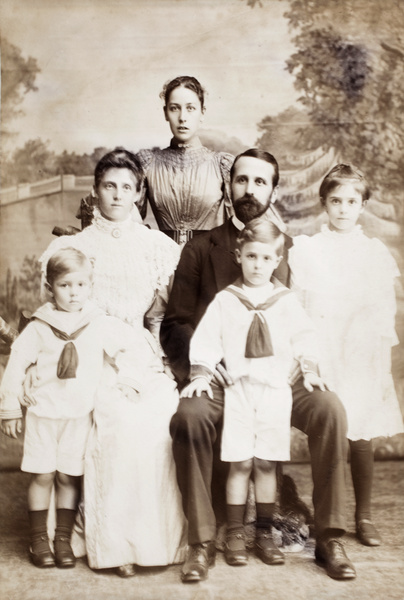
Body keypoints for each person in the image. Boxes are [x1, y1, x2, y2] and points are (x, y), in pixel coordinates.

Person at [161, 148, 356, 582]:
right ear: (229, 187)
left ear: (273, 188)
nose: (250, 189)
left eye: (260, 181)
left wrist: (301, 365)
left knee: (330, 408)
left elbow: (302, 318)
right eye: (242, 180)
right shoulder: (199, 247)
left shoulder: (288, 249)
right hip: (222, 374)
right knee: (189, 417)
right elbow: (175, 324)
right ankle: (202, 540)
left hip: (276, 375)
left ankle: (328, 536)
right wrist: (209, 367)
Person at [38, 148, 187, 577]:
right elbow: (58, 316)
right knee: (117, 419)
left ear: (139, 194)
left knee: (158, 414)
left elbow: (160, 317)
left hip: (139, 350)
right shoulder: (72, 245)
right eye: (109, 186)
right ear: (95, 190)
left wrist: (154, 364)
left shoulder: (158, 247)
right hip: (88, 350)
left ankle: (153, 544)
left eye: (127, 187)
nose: (118, 195)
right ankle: (111, 544)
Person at [181, 218, 326, 569]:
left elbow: (305, 336)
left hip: (275, 392)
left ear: (277, 260)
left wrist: (309, 368)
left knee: (265, 463)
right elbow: (206, 339)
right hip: (241, 391)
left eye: (265, 258)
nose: (257, 265)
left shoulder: (285, 301)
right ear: (239, 256)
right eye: (250, 257)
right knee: (240, 463)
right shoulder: (226, 300)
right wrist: (201, 371)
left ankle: (263, 532)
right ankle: (233, 532)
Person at [0, 247, 142, 570]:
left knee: (67, 477)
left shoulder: (99, 322)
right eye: (65, 286)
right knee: (42, 475)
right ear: (50, 288)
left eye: (80, 285)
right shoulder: (39, 326)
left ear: (90, 286)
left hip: (79, 414)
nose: (74, 293)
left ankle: (62, 538)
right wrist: (9, 407)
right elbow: (17, 364)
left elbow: (130, 348)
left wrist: (129, 381)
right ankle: (39, 538)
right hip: (43, 414)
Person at [289, 163, 404, 547]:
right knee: (334, 429)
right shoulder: (308, 250)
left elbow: (383, 308)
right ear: (324, 204)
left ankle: (364, 514)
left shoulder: (374, 253)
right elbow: (301, 307)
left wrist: (372, 349)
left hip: (361, 351)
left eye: (351, 201)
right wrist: (311, 358)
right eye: (335, 201)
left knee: (362, 433)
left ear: (363, 204)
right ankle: (330, 515)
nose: (342, 209)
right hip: (325, 349)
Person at [136, 76, 234, 244]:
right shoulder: (148, 163)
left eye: (190, 108)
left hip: (207, 263)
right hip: (162, 260)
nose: (182, 117)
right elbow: (128, 220)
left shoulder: (221, 165)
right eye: (174, 108)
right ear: (165, 113)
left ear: (202, 112)